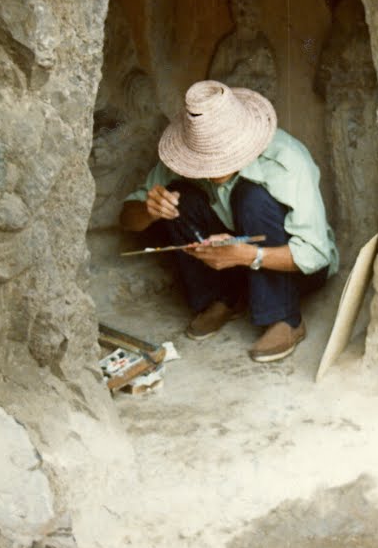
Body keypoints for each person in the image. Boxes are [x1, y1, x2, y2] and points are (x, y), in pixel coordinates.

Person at [119, 80, 339, 363]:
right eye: (202, 160)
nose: (209, 169)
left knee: (251, 197)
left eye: (219, 158)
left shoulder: (285, 160)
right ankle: (222, 299)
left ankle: (284, 318)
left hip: (294, 270)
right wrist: (150, 210)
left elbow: (316, 255)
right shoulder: (186, 156)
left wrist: (249, 255)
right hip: (237, 265)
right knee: (179, 198)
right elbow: (127, 219)